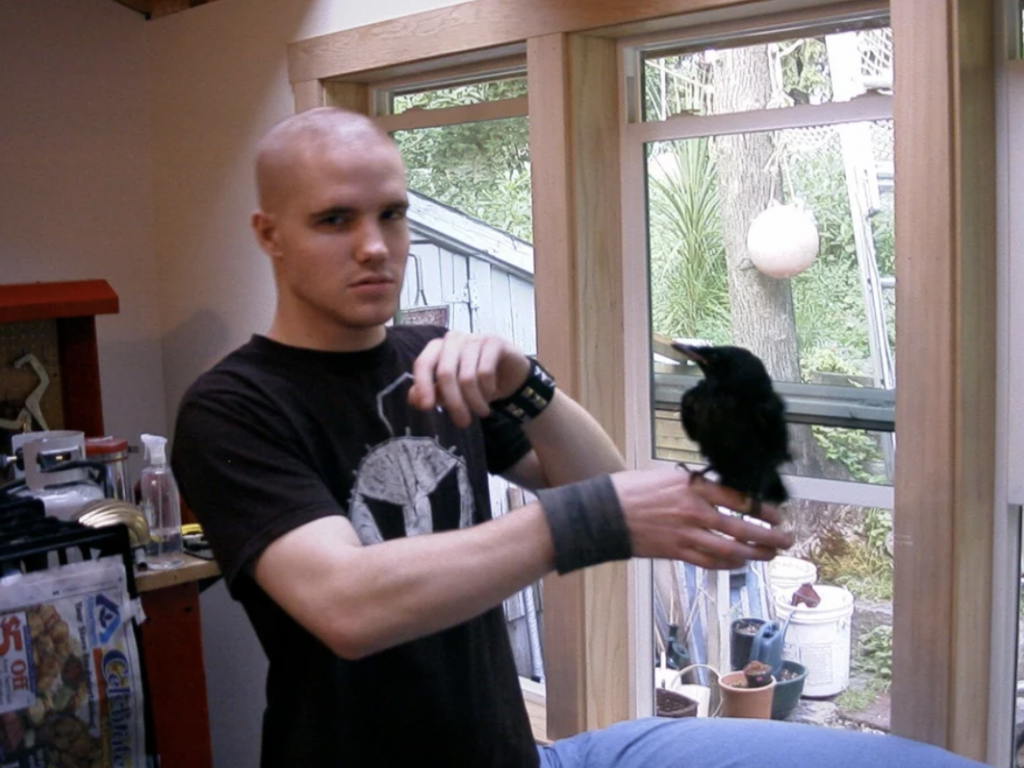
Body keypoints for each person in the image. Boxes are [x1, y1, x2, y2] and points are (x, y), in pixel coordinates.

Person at [171, 107, 986, 768]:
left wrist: (527, 384)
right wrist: (589, 521)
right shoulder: (235, 408)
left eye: (392, 213)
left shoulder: (430, 364)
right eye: (333, 220)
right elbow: (346, 604)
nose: (376, 246)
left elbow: (593, 478)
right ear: (269, 233)